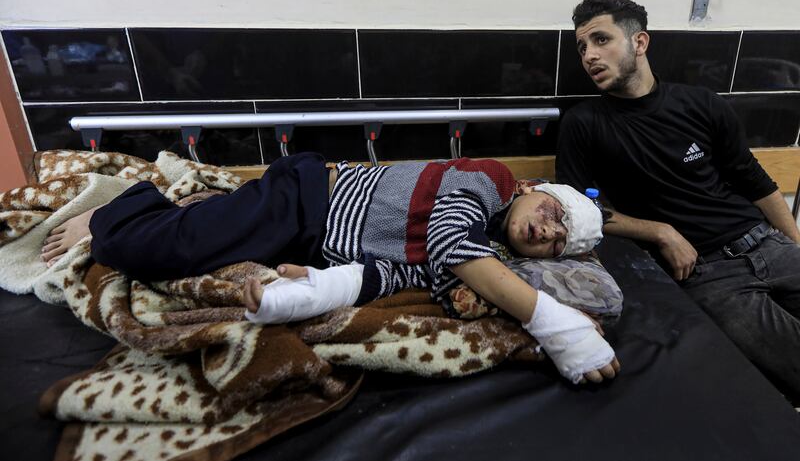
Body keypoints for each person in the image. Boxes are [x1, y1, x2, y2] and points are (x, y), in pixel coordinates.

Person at [41, 153, 619, 385]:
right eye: (551, 213)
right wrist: (554, 321)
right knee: (145, 251)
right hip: (304, 198)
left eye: (555, 242)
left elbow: (390, 276)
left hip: (310, 242)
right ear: (532, 189)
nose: (546, 231)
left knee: (205, 240)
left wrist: (317, 286)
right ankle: (117, 207)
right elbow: (447, 240)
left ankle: (188, 210)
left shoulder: (477, 257)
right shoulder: (488, 181)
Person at [556, 0, 800, 401]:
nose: (589, 56)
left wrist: (793, 246)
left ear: (640, 42)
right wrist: (660, 231)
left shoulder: (700, 103)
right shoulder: (585, 124)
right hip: (706, 274)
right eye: (582, 47)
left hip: (765, 242)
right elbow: (581, 210)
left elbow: (754, 180)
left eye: (601, 39)